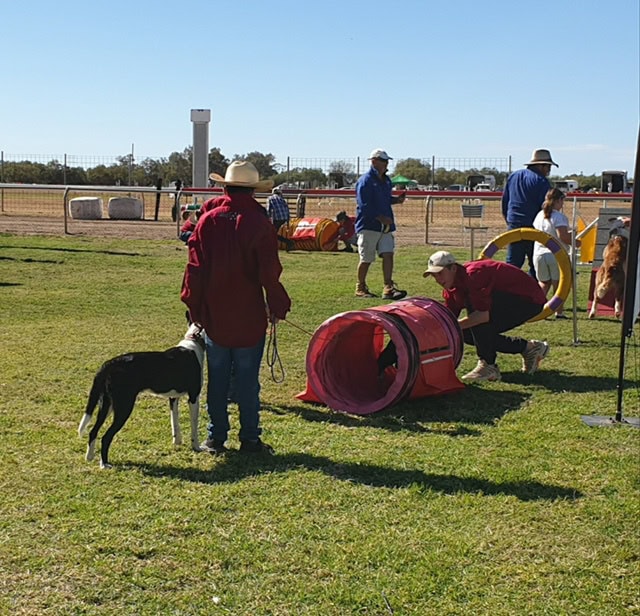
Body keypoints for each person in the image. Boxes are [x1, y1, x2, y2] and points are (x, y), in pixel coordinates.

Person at [181, 161, 291, 455]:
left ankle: (216, 438)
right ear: (253, 190)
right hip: (249, 316)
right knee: (247, 381)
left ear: (225, 187)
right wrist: (278, 304)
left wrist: (196, 309)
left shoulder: (208, 221)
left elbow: (195, 269)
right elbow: (269, 273)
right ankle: (250, 439)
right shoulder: (259, 223)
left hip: (216, 317)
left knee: (217, 379)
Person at [423, 250, 549, 382]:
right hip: (511, 300)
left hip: (529, 300)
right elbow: (448, 317)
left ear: (453, 268)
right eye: (434, 276)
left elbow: (481, 316)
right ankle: (529, 348)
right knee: (464, 332)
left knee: (475, 315)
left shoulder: (473, 275)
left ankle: (488, 365)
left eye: (440, 274)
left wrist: (452, 327)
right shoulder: (452, 287)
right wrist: (432, 329)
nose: (437, 279)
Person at [354, 148, 407, 299]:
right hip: (369, 225)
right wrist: (379, 217)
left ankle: (388, 287)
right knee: (366, 258)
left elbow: (385, 199)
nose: (386, 164)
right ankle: (360, 287)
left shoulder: (386, 180)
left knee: (388, 254)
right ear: (374, 161)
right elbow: (363, 204)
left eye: (387, 161)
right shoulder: (365, 181)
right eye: (383, 161)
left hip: (386, 226)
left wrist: (396, 200)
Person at [501, 148, 557, 277]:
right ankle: (531, 293)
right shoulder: (541, 182)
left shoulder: (514, 176)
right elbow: (545, 208)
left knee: (512, 263)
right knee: (535, 264)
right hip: (533, 227)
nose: (549, 169)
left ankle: (506, 291)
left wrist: (509, 220)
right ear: (541, 165)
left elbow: (505, 202)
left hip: (514, 224)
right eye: (548, 166)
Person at [533, 188, 579, 319]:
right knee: (559, 285)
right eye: (562, 201)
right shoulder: (559, 217)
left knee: (543, 283)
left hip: (539, 253)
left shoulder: (539, 215)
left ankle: (538, 309)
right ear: (558, 200)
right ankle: (559, 312)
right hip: (555, 254)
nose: (563, 204)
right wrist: (577, 242)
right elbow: (563, 236)